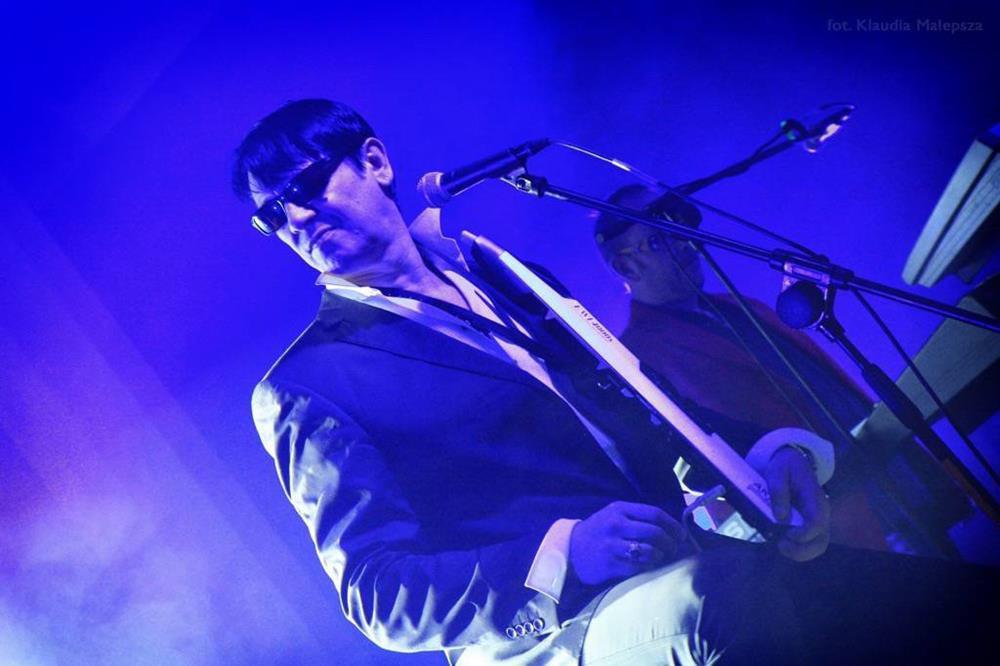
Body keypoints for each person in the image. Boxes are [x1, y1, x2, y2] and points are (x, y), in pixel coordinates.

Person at [233, 99, 994, 665]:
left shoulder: (510, 279)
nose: (294, 214)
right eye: (271, 215)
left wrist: (772, 458)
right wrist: (564, 552)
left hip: (685, 565)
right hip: (557, 638)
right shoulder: (307, 385)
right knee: (732, 598)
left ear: (375, 161)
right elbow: (378, 595)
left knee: (933, 605)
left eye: (306, 183)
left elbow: (652, 411)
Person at [592, 184, 973, 556]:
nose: (684, 241)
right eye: (659, 236)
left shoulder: (741, 306)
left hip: (894, 474)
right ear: (626, 265)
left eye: (678, 225)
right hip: (837, 518)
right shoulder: (638, 358)